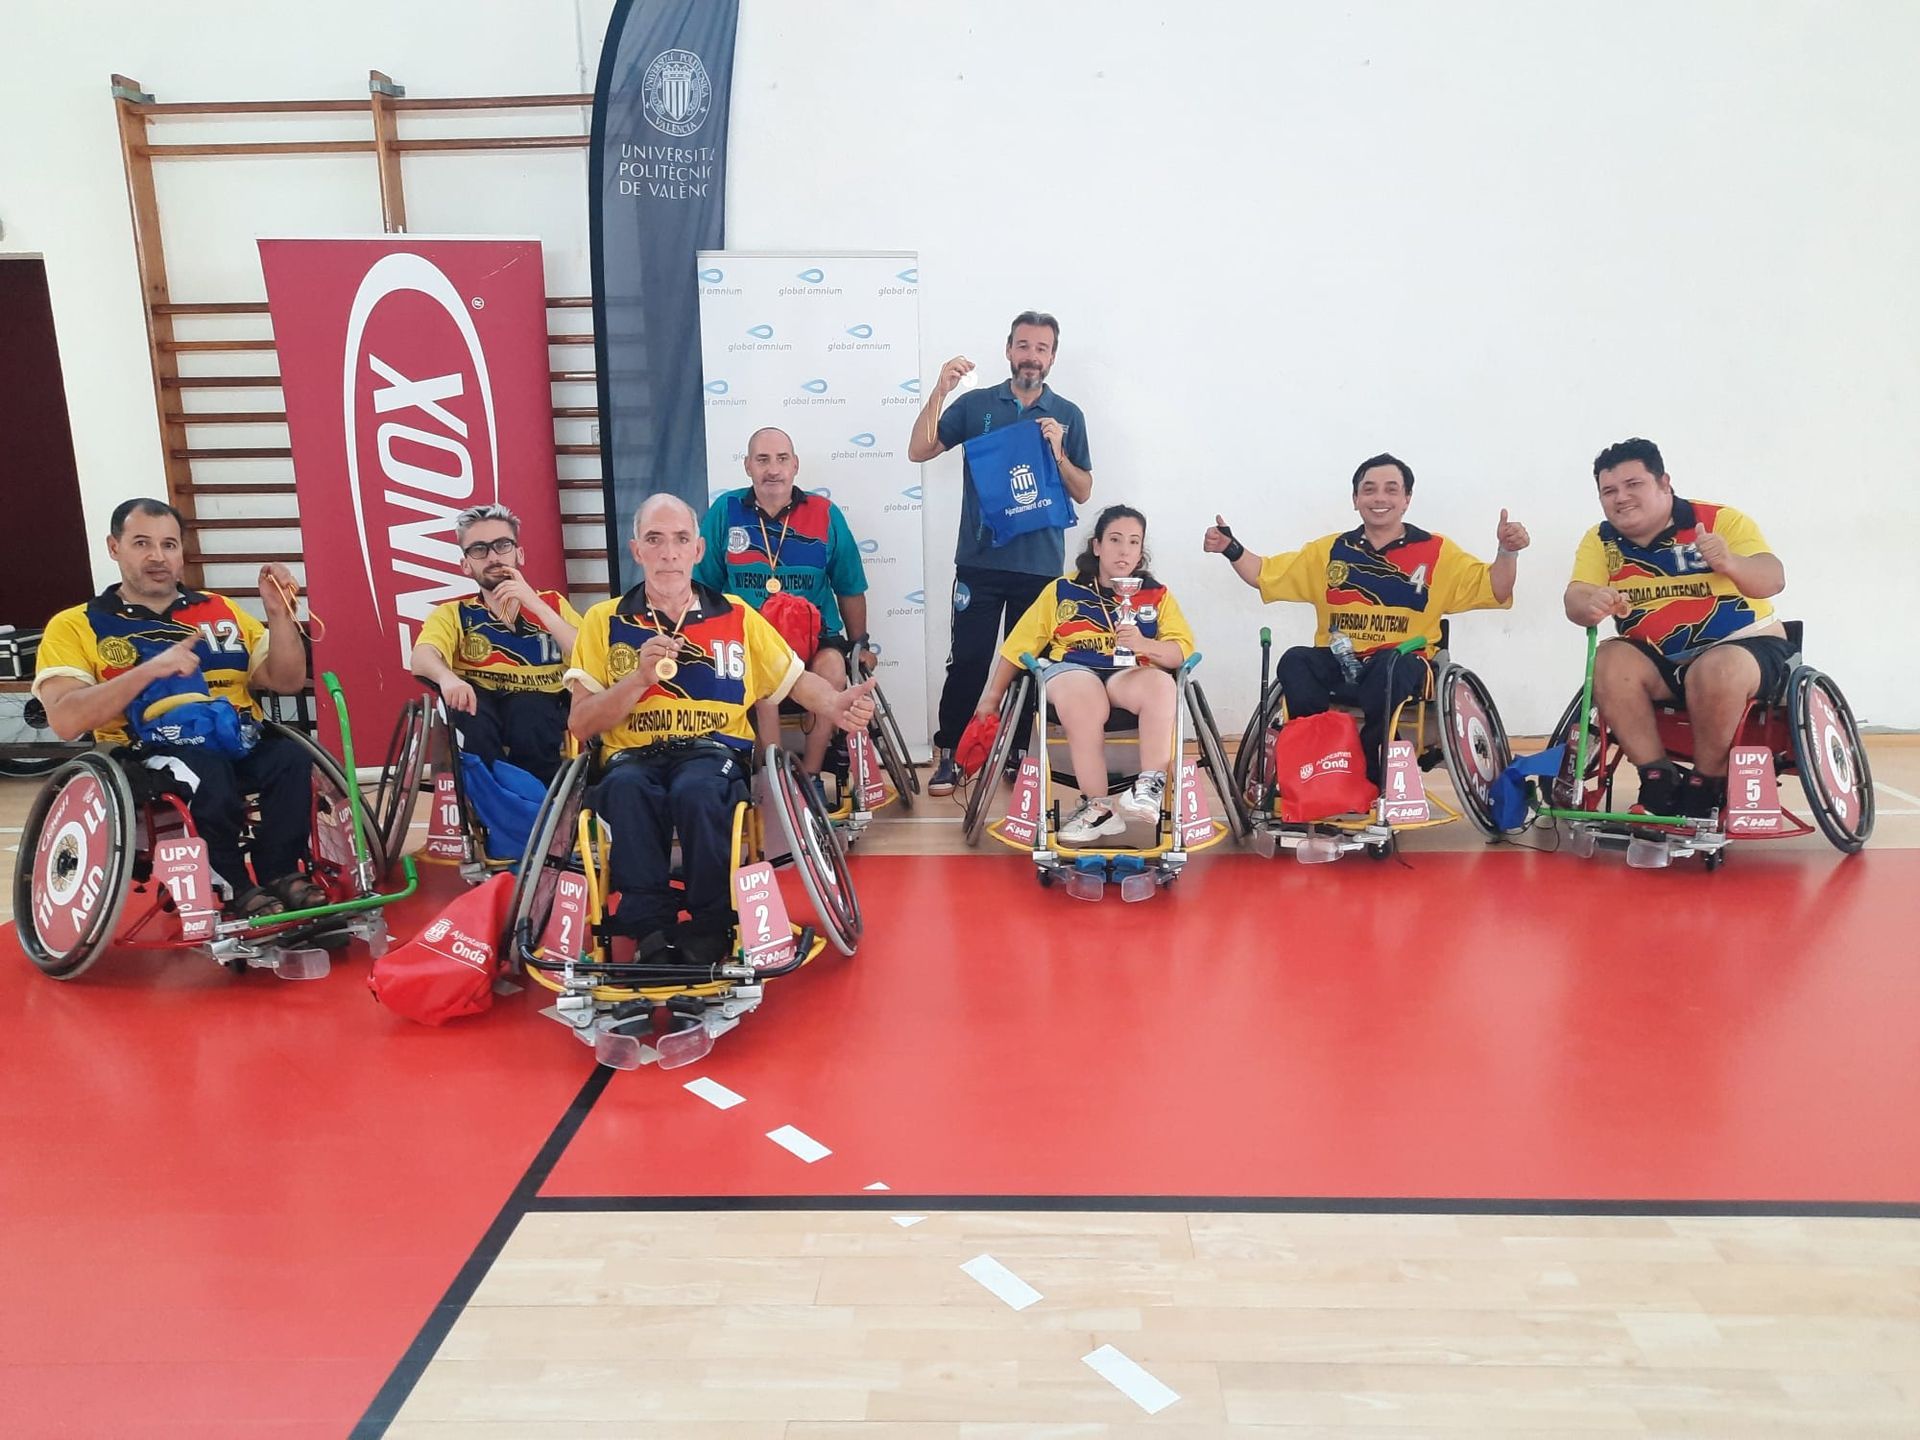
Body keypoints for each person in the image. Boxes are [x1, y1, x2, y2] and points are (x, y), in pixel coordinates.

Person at [566, 494, 877, 960]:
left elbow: (794, 680)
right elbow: (580, 722)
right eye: (654, 540)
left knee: (699, 789)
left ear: (698, 550)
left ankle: (711, 923)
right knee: (626, 788)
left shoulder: (736, 615)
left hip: (712, 754)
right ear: (636, 551)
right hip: (631, 757)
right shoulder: (602, 621)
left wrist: (835, 703)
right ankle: (648, 927)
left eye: (680, 540)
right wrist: (637, 680)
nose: (668, 553)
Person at [32, 497, 316, 917]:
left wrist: (279, 614)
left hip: (234, 737)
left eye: (168, 545)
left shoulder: (221, 610)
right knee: (207, 772)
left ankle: (280, 872)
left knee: (291, 757)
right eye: (142, 543)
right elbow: (66, 719)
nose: (157, 557)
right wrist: (149, 671)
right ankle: (233, 885)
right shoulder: (77, 624)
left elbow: (287, 680)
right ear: (114, 547)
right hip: (149, 748)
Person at [1205, 454, 1529, 780]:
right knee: (1295, 661)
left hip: (1402, 662)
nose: (1379, 498)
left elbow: (1496, 588)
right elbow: (1263, 573)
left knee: (1389, 666)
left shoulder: (1437, 551)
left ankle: (1371, 765)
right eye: (1369, 489)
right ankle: (1318, 758)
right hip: (1341, 660)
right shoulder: (1329, 551)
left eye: (1391, 489)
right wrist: (1231, 548)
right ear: (1356, 499)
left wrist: (1507, 552)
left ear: (1406, 499)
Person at [907, 310, 1094, 795]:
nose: (1032, 356)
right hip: (980, 562)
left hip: (1039, 567)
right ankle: (952, 754)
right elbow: (919, 450)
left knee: (1029, 666)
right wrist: (941, 390)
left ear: (1052, 357)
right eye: (1024, 346)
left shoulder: (1067, 414)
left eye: (1041, 348)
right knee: (969, 661)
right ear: (1009, 350)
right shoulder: (976, 405)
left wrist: (1058, 452)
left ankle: (1015, 754)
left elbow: (1083, 491)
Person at [1563, 436, 1790, 820]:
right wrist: (1591, 603)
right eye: (1609, 491)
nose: (1621, 498)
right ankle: (1658, 779)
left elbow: (1773, 578)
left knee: (1715, 669)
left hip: (1747, 649)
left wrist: (1730, 563)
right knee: (1608, 659)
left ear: (1664, 483)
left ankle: (1708, 782)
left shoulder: (1720, 521)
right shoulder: (1600, 539)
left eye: (1633, 485)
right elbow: (1575, 598)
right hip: (1662, 662)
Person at [974, 505, 1195, 844]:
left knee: (1163, 685)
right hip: (1074, 669)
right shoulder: (1062, 590)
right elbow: (1019, 645)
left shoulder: (1156, 594)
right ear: (1097, 546)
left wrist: (1143, 644)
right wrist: (992, 697)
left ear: (1141, 551)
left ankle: (1149, 788)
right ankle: (1099, 808)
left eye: (1133, 542)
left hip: (1127, 674)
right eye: (1115, 540)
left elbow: (1181, 652)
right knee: (1083, 698)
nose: (1124, 550)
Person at [694, 426, 870, 786]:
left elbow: (849, 586)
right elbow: (703, 587)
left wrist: (860, 644)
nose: (772, 469)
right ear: (748, 466)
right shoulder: (726, 511)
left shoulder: (824, 513)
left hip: (815, 637)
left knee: (834, 669)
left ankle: (812, 775)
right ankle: (774, 780)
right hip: (749, 640)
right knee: (763, 675)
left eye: (781, 459)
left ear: (795, 465)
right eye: (762, 460)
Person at [410, 503, 581, 785]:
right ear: (466, 565)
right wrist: (447, 677)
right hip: (480, 709)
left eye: (502, 545)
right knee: (470, 711)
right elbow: (421, 657)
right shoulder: (454, 613)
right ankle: (493, 801)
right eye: (479, 549)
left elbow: (586, 655)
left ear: (519, 554)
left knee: (529, 711)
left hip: (540, 710)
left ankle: (534, 802)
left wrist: (535, 604)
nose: (493, 557)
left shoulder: (553, 604)